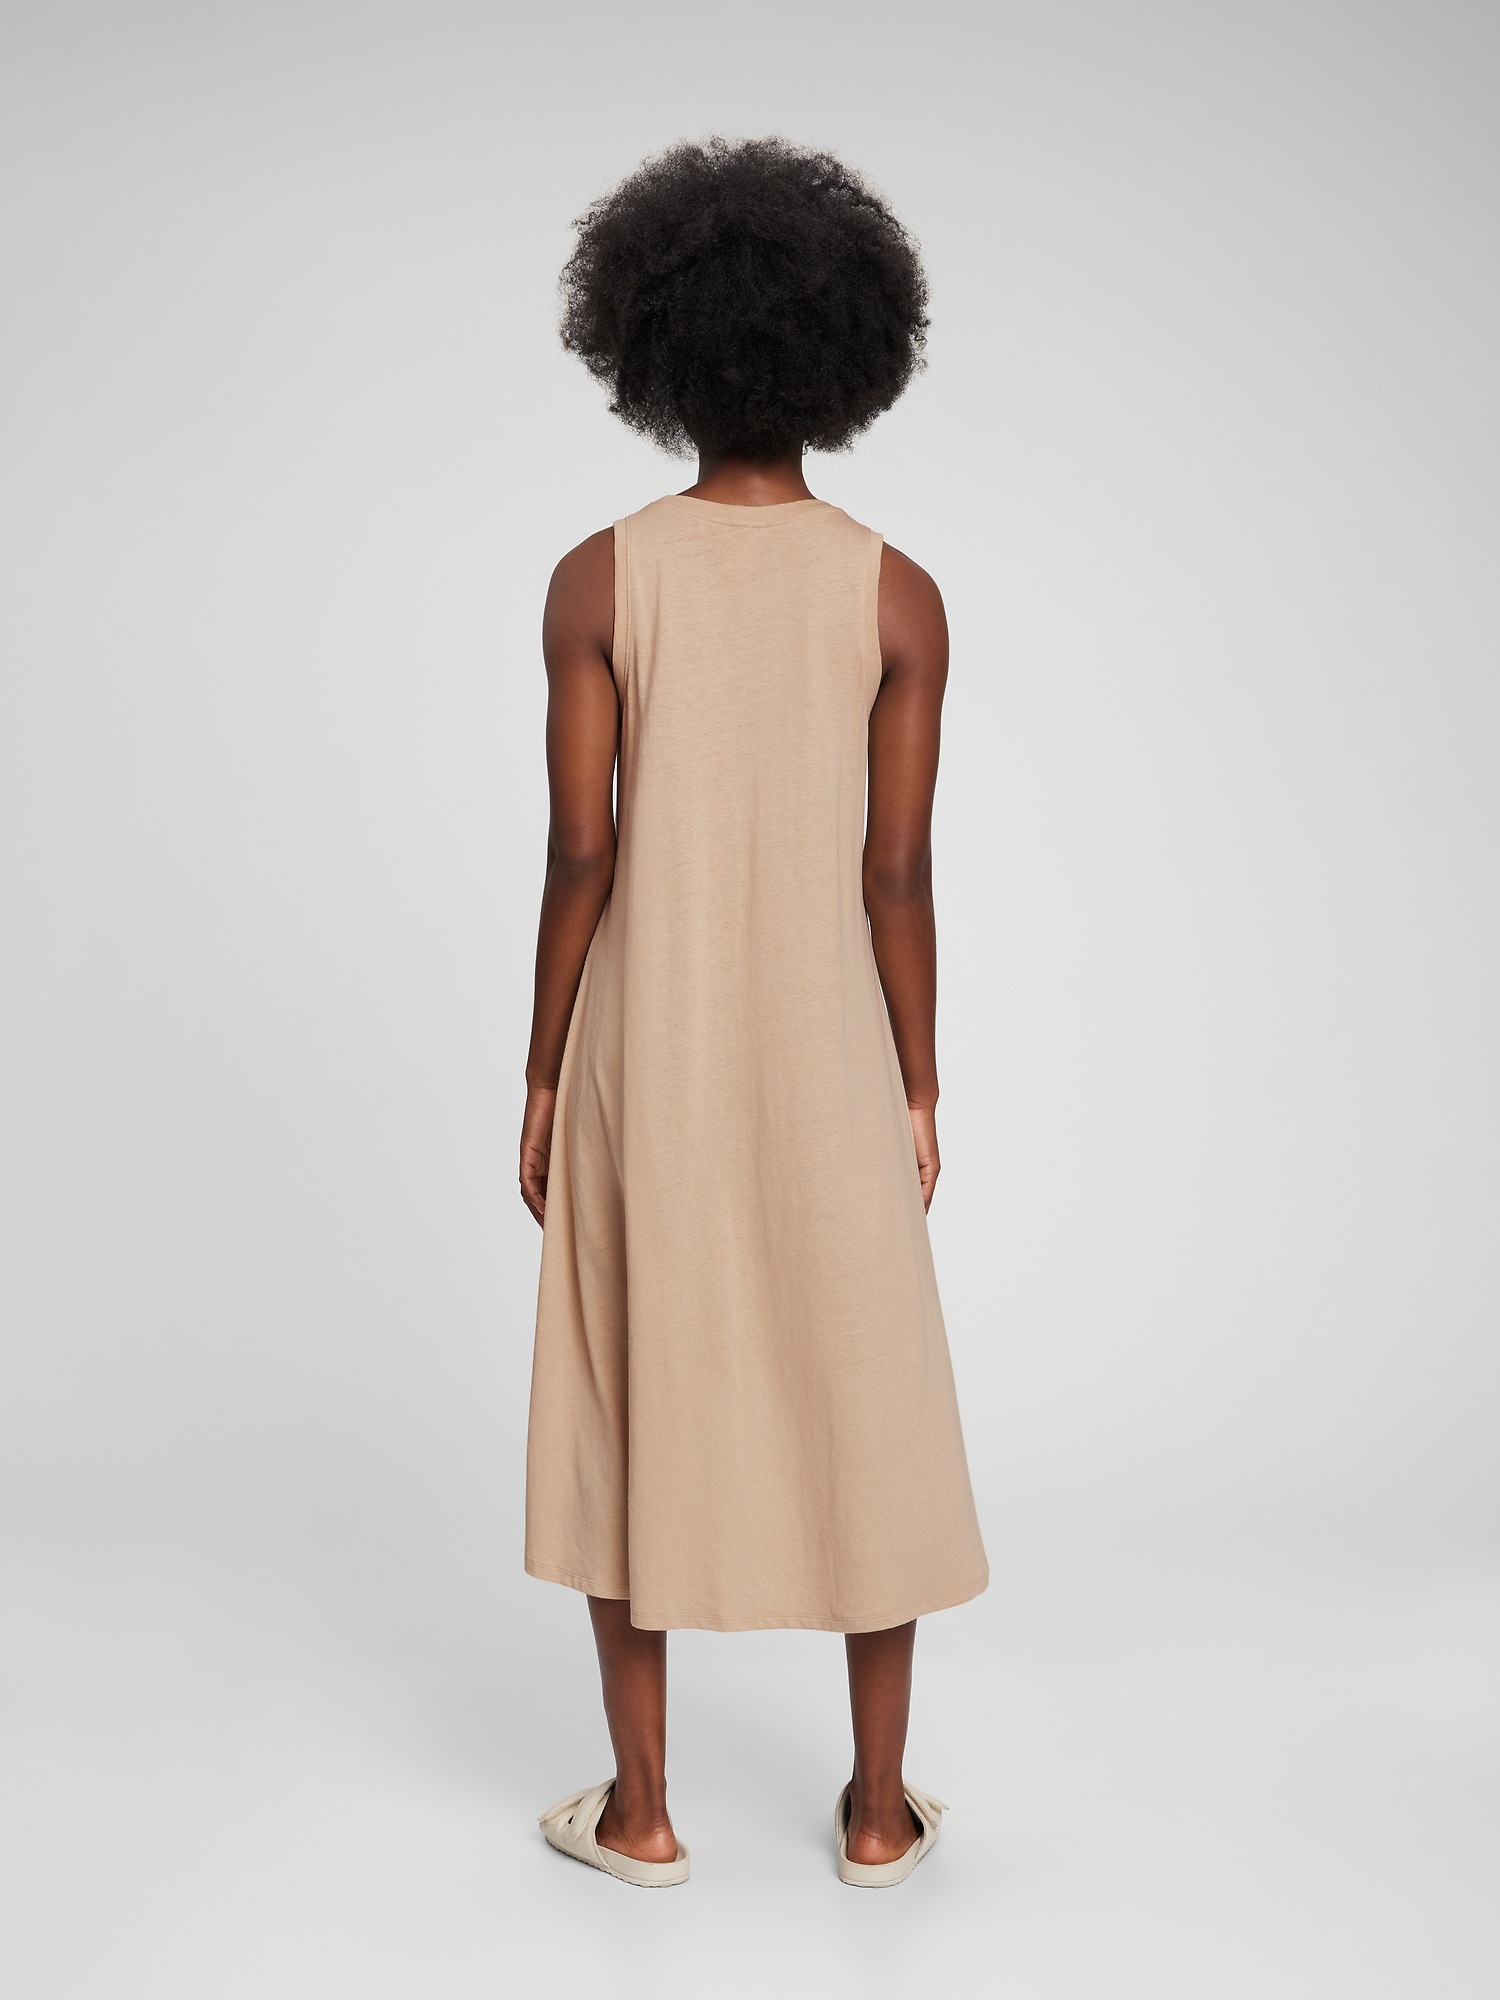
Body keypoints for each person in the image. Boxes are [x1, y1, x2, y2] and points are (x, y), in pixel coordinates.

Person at [518, 136, 987, 1890]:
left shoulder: (597, 577)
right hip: (826, 1052)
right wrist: (918, 1082)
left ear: (652, 349)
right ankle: (877, 1812)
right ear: (843, 355)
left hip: (644, 1046)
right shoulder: (895, 591)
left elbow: (583, 851)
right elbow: (895, 873)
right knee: (867, 1377)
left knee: (629, 1379)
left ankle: (643, 1816)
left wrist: (543, 1074)